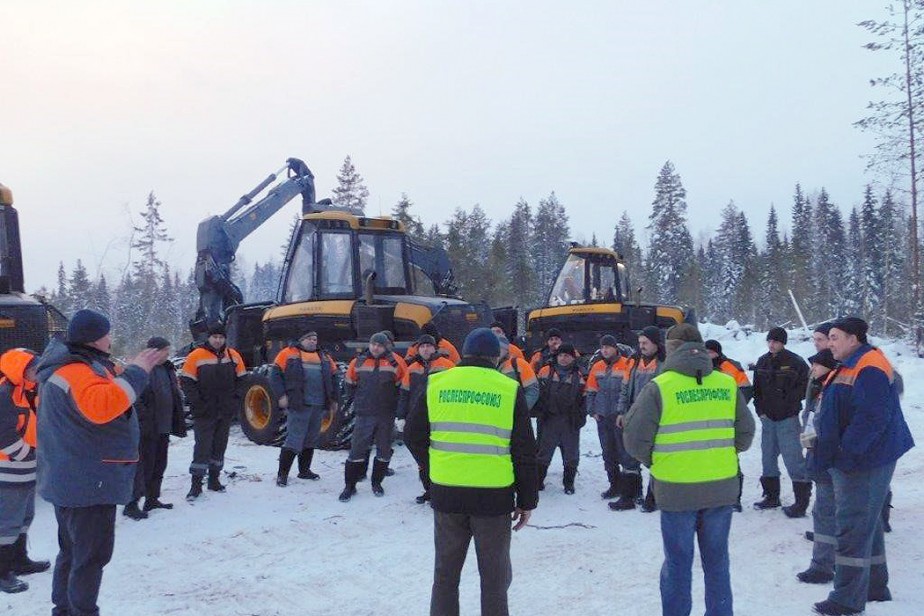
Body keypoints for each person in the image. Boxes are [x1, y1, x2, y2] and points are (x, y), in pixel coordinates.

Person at [35, 309, 166, 615]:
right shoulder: (76, 372)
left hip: (71, 477)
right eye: (107, 333)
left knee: (71, 552)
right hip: (87, 482)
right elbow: (103, 406)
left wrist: (128, 370)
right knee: (90, 558)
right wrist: (138, 372)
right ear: (95, 338)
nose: (111, 339)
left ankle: (64, 610)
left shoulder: (71, 367)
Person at [404, 327, 538, 616]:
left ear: (463, 354)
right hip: (493, 499)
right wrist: (527, 501)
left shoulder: (436, 382)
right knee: (494, 579)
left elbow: (413, 435)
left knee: (445, 575)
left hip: (447, 495)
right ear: (495, 357)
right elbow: (525, 451)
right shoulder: (508, 389)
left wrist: (431, 473)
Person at [623, 323, 755, 616]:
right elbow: (745, 436)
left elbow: (633, 438)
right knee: (717, 562)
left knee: (678, 563)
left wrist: (657, 460)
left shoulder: (660, 386)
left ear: (670, 349)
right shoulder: (725, 384)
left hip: (676, 490)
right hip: (721, 489)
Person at [809, 317, 914, 616]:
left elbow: (871, 418)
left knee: (853, 525)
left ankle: (846, 599)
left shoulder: (868, 366)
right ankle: (875, 586)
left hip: (864, 460)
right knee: (868, 524)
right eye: (828, 337)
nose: (830, 343)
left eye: (834, 337)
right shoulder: (852, 362)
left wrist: (846, 453)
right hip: (860, 456)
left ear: (853, 338)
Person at [0, 348, 49, 594]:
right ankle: (2, 572)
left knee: (24, 518)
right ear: (19, 370)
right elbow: (3, 434)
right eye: (33, 368)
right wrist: (25, 454)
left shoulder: (29, 391)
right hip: (8, 469)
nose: (37, 373)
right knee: (6, 523)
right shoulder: (5, 393)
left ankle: (19, 561)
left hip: (26, 467)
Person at [180, 322, 246, 500]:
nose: (218, 340)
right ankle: (196, 485)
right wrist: (198, 403)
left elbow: (242, 381)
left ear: (225, 338)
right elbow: (186, 382)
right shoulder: (196, 356)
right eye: (215, 337)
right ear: (209, 338)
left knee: (219, 446)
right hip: (204, 411)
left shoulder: (233, 356)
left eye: (221, 337)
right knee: (202, 447)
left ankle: (214, 480)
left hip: (225, 411)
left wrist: (235, 401)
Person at [125, 337, 187, 519]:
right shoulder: (140, 369)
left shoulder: (167, 368)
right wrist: (144, 420)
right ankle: (132, 503)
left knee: (159, 464)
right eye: (165, 351)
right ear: (154, 351)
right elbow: (134, 399)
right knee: (142, 467)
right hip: (147, 428)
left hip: (163, 425)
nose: (168, 354)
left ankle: (152, 499)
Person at [751, 326, 811, 516]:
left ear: (783, 343)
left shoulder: (796, 362)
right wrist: (760, 410)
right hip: (768, 419)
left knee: (793, 459)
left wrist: (789, 401)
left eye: (775, 341)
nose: (772, 344)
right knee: (767, 458)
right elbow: (756, 390)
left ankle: (801, 502)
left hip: (788, 418)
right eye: (769, 341)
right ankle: (771, 496)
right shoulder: (762, 362)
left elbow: (806, 387)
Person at [339, 332, 406, 501]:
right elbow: (349, 385)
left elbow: (403, 389)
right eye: (373, 344)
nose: (376, 348)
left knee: (383, 451)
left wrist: (398, 411)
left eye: (380, 345)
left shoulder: (397, 363)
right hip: (364, 414)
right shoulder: (358, 362)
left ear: (386, 346)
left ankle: (377, 483)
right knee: (356, 451)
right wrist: (358, 402)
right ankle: (350, 486)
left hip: (386, 415)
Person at [271, 331, 339, 487]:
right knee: (294, 440)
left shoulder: (324, 356)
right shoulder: (287, 353)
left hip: (319, 404)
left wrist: (334, 399)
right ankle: (282, 475)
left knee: (310, 439)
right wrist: (281, 396)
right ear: (301, 340)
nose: (313, 341)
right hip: (299, 404)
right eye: (309, 338)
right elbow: (275, 375)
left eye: (315, 339)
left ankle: (304, 471)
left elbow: (334, 377)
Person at [797, 348, 839, 585]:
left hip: (829, 461)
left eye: (817, 365)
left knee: (826, 512)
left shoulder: (832, 390)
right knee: (824, 512)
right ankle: (825, 562)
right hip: (818, 457)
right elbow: (810, 423)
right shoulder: (817, 388)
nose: (812, 369)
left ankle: (823, 566)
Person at [397, 334, 455, 504]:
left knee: (440, 453)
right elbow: (404, 393)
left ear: (434, 348)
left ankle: (443, 489)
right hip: (417, 417)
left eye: (428, 346)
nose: (425, 349)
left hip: (440, 417)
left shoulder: (447, 365)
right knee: (422, 455)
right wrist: (401, 416)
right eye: (422, 347)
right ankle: (429, 489)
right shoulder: (412, 367)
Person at [585, 335, 636, 508]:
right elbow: (591, 389)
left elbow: (629, 390)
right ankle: (614, 486)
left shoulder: (627, 364)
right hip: (603, 416)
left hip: (620, 417)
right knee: (608, 453)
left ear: (615, 348)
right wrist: (592, 410)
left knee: (625, 453)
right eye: (603, 347)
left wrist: (626, 412)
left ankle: (631, 490)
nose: (605, 350)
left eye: (608, 347)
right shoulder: (597, 366)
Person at [617, 325, 664, 512]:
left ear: (655, 343)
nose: (641, 346)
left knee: (656, 457)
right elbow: (624, 387)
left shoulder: (665, 363)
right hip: (634, 416)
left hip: (655, 418)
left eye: (645, 342)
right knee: (629, 455)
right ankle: (630, 495)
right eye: (640, 342)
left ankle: (653, 498)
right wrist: (621, 411)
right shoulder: (633, 361)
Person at [705, 339, 752, 512]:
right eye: (706, 352)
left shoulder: (730, 366)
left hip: (727, 421)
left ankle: (734, 499)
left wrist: (732, 409)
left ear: (717, 352)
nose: (708, 355)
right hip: (705, 420)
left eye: (711, 352)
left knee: (731, 459)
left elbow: (746, 390)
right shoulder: (701, 368)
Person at [535, 343, 586, 495]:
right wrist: (539, 413)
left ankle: (569, 484)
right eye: (561, 355)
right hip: (549, 419)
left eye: (567, 356)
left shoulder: (580, 375)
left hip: (570, 421)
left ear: (573, 357)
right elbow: (537, 392)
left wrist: (580, 419)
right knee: (543, 453)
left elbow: (584, 400)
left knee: (571, 454)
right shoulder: (545, 371)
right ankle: (538, 482)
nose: (563, 358)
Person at [497, 335, 539, 411]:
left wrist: (519, 411)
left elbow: (533, 391)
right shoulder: (487, 366)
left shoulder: (519, 364)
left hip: (514, 414)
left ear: (506, 350)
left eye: (500, 348)